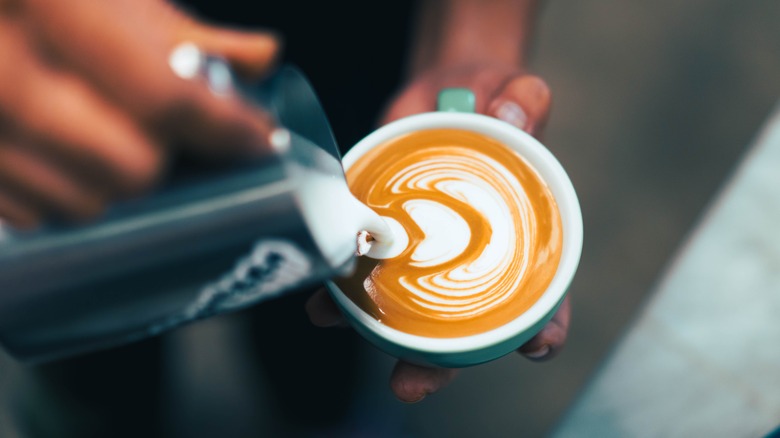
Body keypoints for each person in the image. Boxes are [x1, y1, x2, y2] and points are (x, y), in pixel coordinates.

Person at [0, 0, 570, 434]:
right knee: (87, 310)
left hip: (348, 38)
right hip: (62, 63)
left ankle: (326, 410)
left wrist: (471, 37)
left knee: (315, 318)